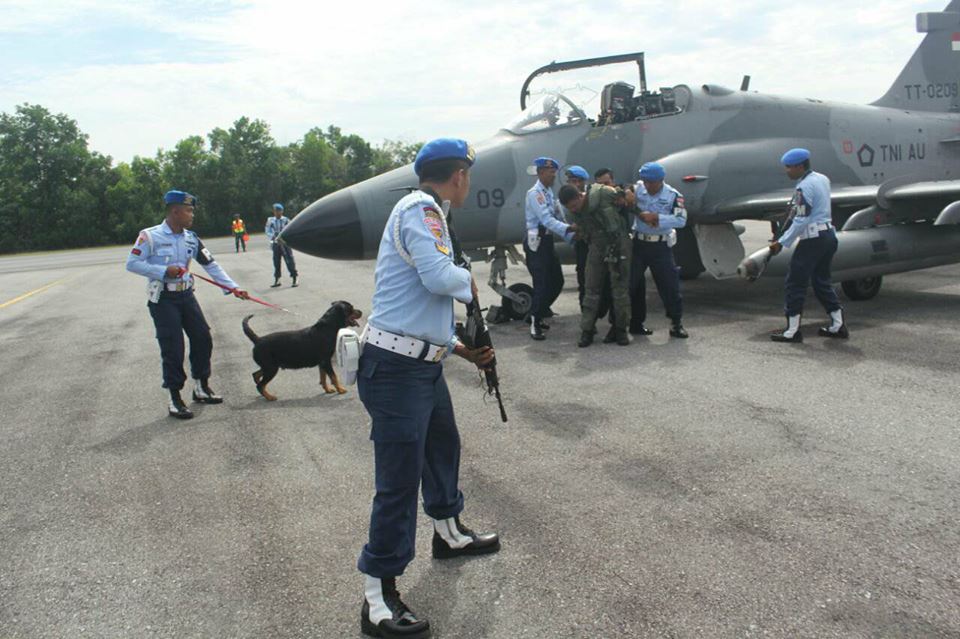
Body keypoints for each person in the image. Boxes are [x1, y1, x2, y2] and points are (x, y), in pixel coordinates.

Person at [356, 138, 500, 639]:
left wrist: (460, 348)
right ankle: (378, 595)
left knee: (443, 448)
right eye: (468, 175)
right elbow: (441, 279)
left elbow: (420, 307)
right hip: (395, 372)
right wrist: (470, 282)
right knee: (397, 481)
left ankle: (448, 532)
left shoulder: (430, 212)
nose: (469, 183)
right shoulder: (421, 209)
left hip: (421, 365)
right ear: (458, 174)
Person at [125, 190, 249, 419]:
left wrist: (233, 287)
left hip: (186, 295)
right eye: (189, 210)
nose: (192, 215)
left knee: (203, 337)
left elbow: (211, 265)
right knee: (173, 347)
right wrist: (163, 271)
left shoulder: (191, 238)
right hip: (163, 299)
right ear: (175, 211)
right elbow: (132, 263)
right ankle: (174, 397)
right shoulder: (150, 236)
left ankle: (201, 386)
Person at [768, 148, 847, 342]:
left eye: (789, 167)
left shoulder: (803, 187)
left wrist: (782, 242)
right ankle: (838, 325)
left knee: (795, 283)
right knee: (822, 282)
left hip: (813, 240)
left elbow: (802, 219)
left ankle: (792, 331)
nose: (787, 171)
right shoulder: (822, 179)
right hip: (828, 235)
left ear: (799, 166)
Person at [559, 181, 633, 346]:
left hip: (619, 245)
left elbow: (627, 200)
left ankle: (621, 330)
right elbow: (583, 230)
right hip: (596, 247)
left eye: (575, 205)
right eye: (569, 208)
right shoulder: (573, 213)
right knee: (590, 289)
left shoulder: (603, 193)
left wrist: (641, 214)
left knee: (620, 290)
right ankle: (587, 331)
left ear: (580, 195)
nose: (573, 210)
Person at [630, 162, 689, 338]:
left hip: (660, 246)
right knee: (632, 285)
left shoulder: (673, 196)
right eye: (645, 181)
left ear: (661, 180)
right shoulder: (638, 189)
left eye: (651, 182)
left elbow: (681, 220)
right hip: (639, 244)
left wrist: (657, 217)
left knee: (669, 286)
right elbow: (624, 194)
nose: (647, 185)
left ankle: (676, 323)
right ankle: (635, 323)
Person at [524, 157, 577, 340]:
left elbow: (558, 215)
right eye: (550, 172)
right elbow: (546, 219)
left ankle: (536, 312)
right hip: (536, 242)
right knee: (541, 284)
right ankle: (535, 323)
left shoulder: (547, 192)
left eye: (554, 172)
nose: (553, 175)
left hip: (546, 240)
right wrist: (568, 229)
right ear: (540, 173)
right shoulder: (535, 193)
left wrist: (570, 235)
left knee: (557, 281)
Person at [563, 165, 591, 309]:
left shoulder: (594, 197)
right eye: (569, 181)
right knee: (583, 277)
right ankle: (586, 311)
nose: (571, 184)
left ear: (582, 182)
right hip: (582, 245)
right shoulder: (565, 201)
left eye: (574, 181)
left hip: (597, 244)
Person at [265, 203, 298, 287]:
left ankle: (294, 277)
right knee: (276, 261)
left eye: (278, 211)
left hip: (284, 243)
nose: (276, 212)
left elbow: (291, 229)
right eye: (275, 211)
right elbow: (267, 230)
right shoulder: (270, 220)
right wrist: (273, 237)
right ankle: (277, 279)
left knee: (289, 260)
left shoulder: (286, 220)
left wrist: (283, 238)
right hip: (276, 243)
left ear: (282, 211)